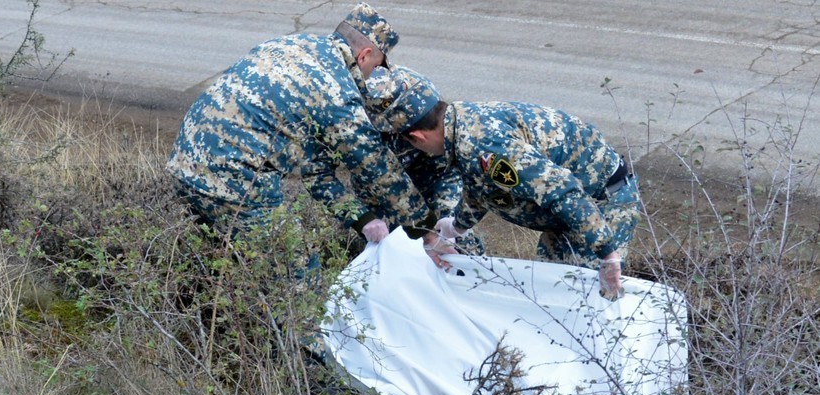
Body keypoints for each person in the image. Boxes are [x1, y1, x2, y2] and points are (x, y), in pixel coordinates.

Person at [165, 3, 438, 246]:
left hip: (183, 167)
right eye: (378, 66)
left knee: (227, 257)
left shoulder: (287, 45)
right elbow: (375, 165)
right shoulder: (335, 89)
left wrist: (362, 218)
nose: (373, 75)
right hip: (234, 184)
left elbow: (314, 169)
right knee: (296, 273)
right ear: (364, 55)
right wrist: (425, 229)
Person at [371, 70, 641, 300]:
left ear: (417, 136)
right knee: (552, 296)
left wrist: (607, 254)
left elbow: (563, 190)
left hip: (599, 208)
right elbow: (483, 187)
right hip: (566, 216)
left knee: (590, 303)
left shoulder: (485, 145)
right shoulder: (461, 124)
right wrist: (456, 226)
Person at [361, 65, 485, 255]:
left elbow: (447, 171)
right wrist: (364, 218)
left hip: (432, 177)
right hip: (382, 194)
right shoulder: (357, 125)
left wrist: (449, 220)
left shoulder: (422, 98)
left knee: (458, 242)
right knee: (392, 253)